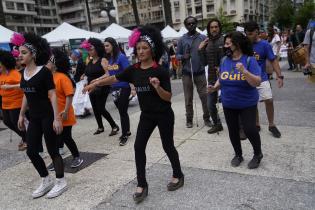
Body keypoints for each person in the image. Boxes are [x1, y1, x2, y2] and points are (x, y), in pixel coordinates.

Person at [83, 25, 184, 204]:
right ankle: (142, 184)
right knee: (138, 147)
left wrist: (157, 86)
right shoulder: (134, 69)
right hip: (147, 115)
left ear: (152, 50)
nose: (141, 51)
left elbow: (167, 98)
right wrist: (95, 84)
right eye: (138, 48)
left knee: (168, 146)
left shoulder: (160, 71)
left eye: (145, 48)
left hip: (163, 114)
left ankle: (178, 174)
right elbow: (114, 78)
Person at [11, 32, 67, 198]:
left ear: (33, 55)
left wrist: (57, 118)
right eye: (18, 52)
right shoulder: (23, 74)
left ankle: (61, 181)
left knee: (52, 150)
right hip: (33, 117)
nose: (19, 55)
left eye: (23, 53)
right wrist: (21, 115)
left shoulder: (44, 72)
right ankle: (46, 179)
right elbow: (26, 95)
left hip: (48, 116)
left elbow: (53, 95)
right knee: (31, 151)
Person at [208, 31, 263, 169]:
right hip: (228, 102)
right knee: (232, 131)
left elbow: (257, 82)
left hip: (247, 103)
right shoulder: (224, 60)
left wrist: (244, 71)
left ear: (237, 44)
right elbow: (222, 78)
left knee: (250, 129)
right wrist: (214, 88)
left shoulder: (249, 60)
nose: (225, 46)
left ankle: (257, 154)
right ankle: (238, 154)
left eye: (228, 44)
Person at [45, 48, 83, 170]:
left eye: (49, 62)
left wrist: (66, 111)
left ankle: (77, 157)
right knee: (56, 139)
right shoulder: (49, 77)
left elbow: (69, 95)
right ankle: (57, 160)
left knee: (65, 137)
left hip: (65, 114)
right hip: (55, 115)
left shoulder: (62, 77)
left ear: (55, 64)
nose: (47, 64)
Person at [245, 21, 283, 138]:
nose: (248, 36)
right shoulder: (245, 44)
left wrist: (279, 76)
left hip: (262, 77)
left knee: (269, 100)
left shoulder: (265, 45)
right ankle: (256, 124)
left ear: (257, 32)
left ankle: (271, 125)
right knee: (252, 103)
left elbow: (273, 60)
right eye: (247, 34)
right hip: (248, 78)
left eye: (251, 33)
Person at [176, 16, 211, 128]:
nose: (191, 25)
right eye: (188, 24)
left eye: (193, 23)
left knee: (204, 97)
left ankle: (207, 118)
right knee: (188, 98)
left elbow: (207, 53)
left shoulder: (203, 37)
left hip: (200, 72)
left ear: (196, 24)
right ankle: (189, 119)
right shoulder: (182, 39)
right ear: (185, 26)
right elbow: (177, 56)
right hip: (187, 73)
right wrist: (183, 56)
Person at [80, 38, 119, 135]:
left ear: (97, 48)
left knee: (101, 108)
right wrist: (85, 80)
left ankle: (114, 126)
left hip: (102, 87)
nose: (89, 51)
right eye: (88, 49)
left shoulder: (103, 60)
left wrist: (97, 80)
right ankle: (100, 127)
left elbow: (108, 74)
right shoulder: (90, 61)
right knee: (95, 108)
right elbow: (88, 73)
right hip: (91, 87)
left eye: (91, 49)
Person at [98, 37, 132, 146]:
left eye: (107, 45)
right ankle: (127, 130)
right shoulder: (110, 59)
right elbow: (109, 74)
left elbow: (129, 72)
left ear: (113, 45)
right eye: (104, 46)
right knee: (122, 111)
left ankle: (124, 135)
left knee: (122, 111)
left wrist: (133, 88)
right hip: (114, 89)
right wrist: (97, 80)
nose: (105, 48)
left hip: (124, 87)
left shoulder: (121, 57)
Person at [198, 18, 225, 134]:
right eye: (211, 27)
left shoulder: (225, 40)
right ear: (209, 29)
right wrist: (200, 50)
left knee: (231, 103)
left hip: (226, 76)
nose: (214, 29)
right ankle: (217, 124)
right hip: (212, 78)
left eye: (216, 27)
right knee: (210, 104)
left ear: (219, 28)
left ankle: (239, 127)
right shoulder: (206, 42)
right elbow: (203, 62)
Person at [0, 49, 27, 151]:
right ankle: (25, 137)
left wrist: (9, 87)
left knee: (16, 122)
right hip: (5, 103)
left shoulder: (14, 73)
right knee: (7, 122)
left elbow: (23, 85)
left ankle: (26, 139)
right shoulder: (1, 75)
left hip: (16, 102)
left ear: (4, 63)